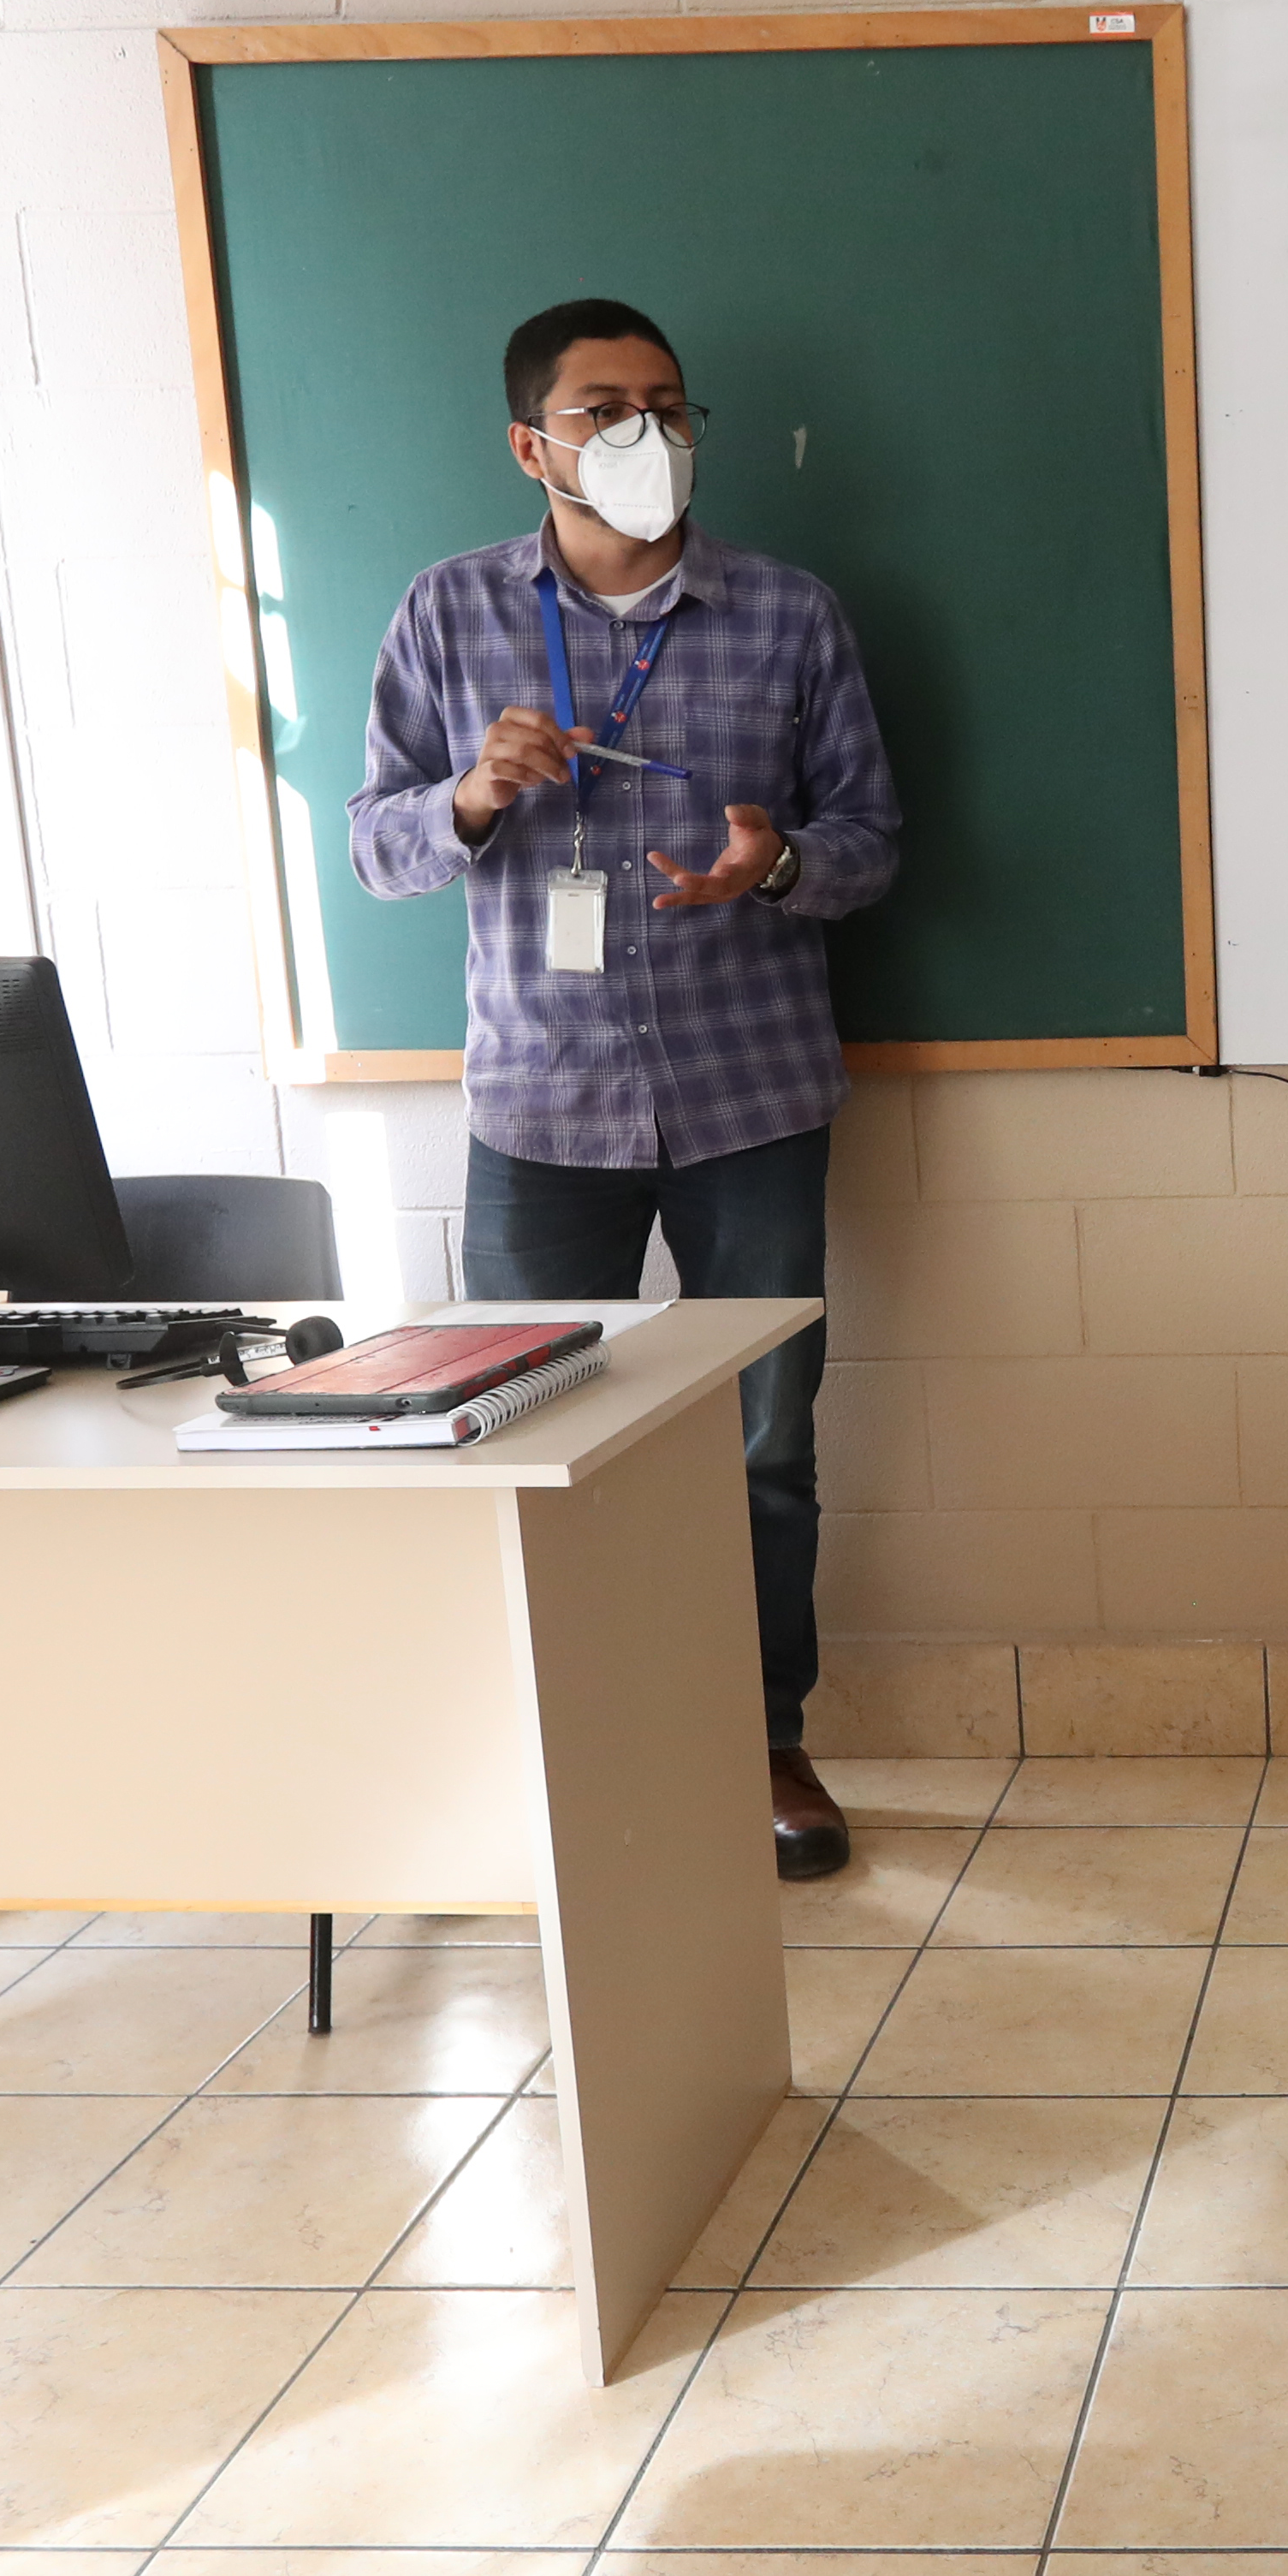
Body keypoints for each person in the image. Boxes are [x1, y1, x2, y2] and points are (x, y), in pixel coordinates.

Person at [350, 297, 899, 1878]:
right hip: (540, 1102)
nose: (644, 431)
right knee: (521, 1431)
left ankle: (761, 1738)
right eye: (604, 408)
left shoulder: (790, 615)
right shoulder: (448, 613)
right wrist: (467, 795)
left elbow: (872, 845)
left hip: (751, 1092)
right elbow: (374, 843)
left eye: (666, 402)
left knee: (764, 1439)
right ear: (533, 443)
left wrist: (779, 863)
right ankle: (558, 1748)